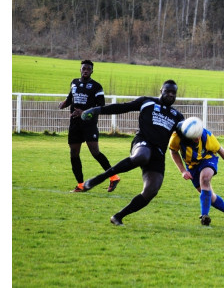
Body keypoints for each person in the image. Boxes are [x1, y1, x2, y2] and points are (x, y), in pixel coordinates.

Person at [80, 80, 184, 226]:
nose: (170, 95)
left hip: (159, 153)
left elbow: (184, 139)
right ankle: (100, 178)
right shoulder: (146, 102)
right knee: (142, 156)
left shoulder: (178, 117)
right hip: (143, 142)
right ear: (161, 90)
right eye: (168, 91)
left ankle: (118, 216)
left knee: (151, 191)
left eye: (174, 93)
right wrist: (96, 110)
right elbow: (122, 107)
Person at [58, 60, 120, 193]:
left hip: (89, 124)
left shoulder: (96, 86)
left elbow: (101, 105)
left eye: (88, 69)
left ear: (92, 71)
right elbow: (71, 98)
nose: (85, 70)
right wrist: (65, 103)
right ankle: (80, 185)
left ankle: (114, 177)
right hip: (74, 123)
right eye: (83, 68)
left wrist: (84, 112)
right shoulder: (74, 82)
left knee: (95, 152)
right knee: (74, 153)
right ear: (80, 70)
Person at [169, 118, 224, 226]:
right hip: (191, 166)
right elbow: (173, 151)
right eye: (194, 136)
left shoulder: (207, 136)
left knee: (205, 179)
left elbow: (220, 150)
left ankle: (204, 216)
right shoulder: (177, 136)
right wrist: (182, 170)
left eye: (198, 134)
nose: (197, 138)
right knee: (209, 196)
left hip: (207, 158)